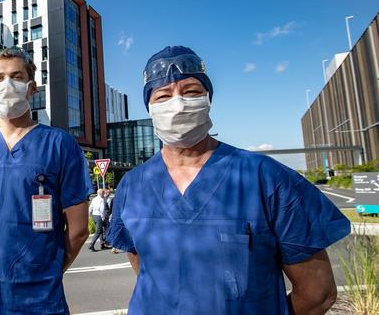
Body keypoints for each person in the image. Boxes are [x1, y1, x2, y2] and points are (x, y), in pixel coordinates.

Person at [107, 46, 351, 314]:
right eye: (163, 96)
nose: (177, 104)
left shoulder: (266, 178)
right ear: (150, 108)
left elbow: (318, 293)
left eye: (191, 92)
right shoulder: (133, 186)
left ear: (208, 99)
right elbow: (146, 273)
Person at [0, 46, 93, 314]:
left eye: (17, 77)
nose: (7, 84)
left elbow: (78, 231)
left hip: (39, 299)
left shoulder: (60, 144)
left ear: (32, 88)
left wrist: (45, 270)